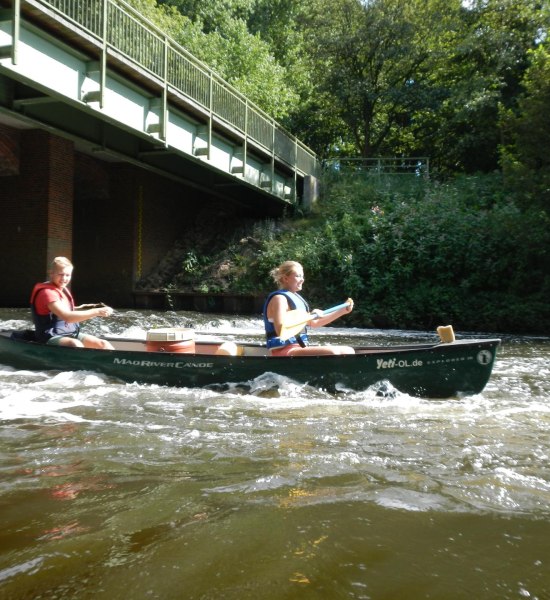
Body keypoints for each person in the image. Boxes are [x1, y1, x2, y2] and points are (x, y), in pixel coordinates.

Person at [263, 260, 355, 356]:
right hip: (284, 351)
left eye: (302, 276)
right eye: (298, 276)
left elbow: (314, 323)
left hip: (299, 347)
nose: (302, 279)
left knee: (348, 350)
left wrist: (342, 311)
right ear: (286, 278)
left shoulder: (297, 299)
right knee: (333, 352)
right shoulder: (279, 299)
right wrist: (308, 316)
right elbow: (280, 330)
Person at [30, 256, 115, 349]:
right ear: (51, 273)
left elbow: (70, 311)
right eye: (60, 274)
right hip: (49, 336)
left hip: (69, 333)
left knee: (103, 344)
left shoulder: (63, 290)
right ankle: (82, 363)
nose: (64, 278)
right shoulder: (47, 293)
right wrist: (97, 312)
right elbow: (68, 317)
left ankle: (113, 363)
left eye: (67, 275)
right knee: (75, 344)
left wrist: (95, 309)